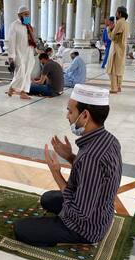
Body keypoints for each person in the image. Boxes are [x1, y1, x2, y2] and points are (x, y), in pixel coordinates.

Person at [14, 84, 122, 247]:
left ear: (85, 115)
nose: (67, 116)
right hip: (100, 211)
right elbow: (93, 176)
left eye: (71, 111)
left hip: (86, 227)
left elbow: (80, 213)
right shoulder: (109, 139)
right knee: (47, 198)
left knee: (20, 229)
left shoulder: (91, 156)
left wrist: (56, 173)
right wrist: (70, 156)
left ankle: (74, 238)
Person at [7, 5, 37, 100]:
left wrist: (35, 51)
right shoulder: (14, 25)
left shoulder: (29, 26)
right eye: (25, 14)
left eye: (28, 14)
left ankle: (23, 92)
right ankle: (12, 87)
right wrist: (11, 57)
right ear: (19, 15)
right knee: (20, 72)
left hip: (29, 53)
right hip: (19, 53)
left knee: (27, 73)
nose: (27, 16)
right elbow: (11, 42)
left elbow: (32, 40)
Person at [106, 6, 129, 94]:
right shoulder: (126, 23)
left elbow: (113, 37)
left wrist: (109, 29)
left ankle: (114, 88)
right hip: (122, 48)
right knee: (119, 69)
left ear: (119, 13)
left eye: (116, 12)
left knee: (113, 69)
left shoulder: (119, 23)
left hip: (116, 49)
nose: (115, 14)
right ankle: (119, 87)